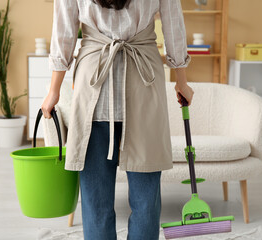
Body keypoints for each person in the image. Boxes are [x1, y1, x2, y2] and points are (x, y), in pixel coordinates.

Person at [42, 0, 194, 239]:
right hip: (145, 85)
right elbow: (173, 24)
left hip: (94, 87)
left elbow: (64, 31)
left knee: (95, 203)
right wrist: (181, 80)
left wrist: (54, 91)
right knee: (146, 202)